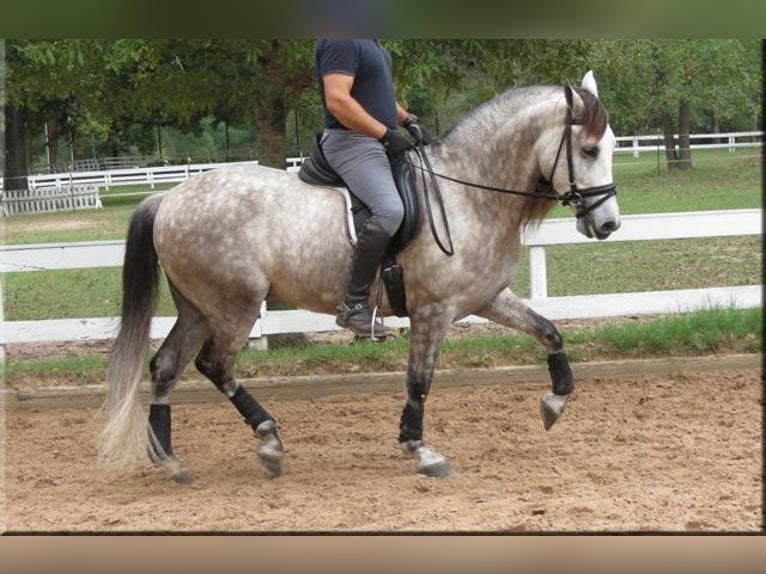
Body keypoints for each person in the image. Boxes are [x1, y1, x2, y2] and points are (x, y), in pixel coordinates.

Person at [315, 38, 427, 338]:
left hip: (374, 139)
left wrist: (407, 119)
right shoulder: (342, 39)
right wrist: (385, 134)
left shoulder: (370, 40)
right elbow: (338, 100)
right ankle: (354, 304)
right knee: (389, 210)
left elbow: (374, 96)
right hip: (351, 142)